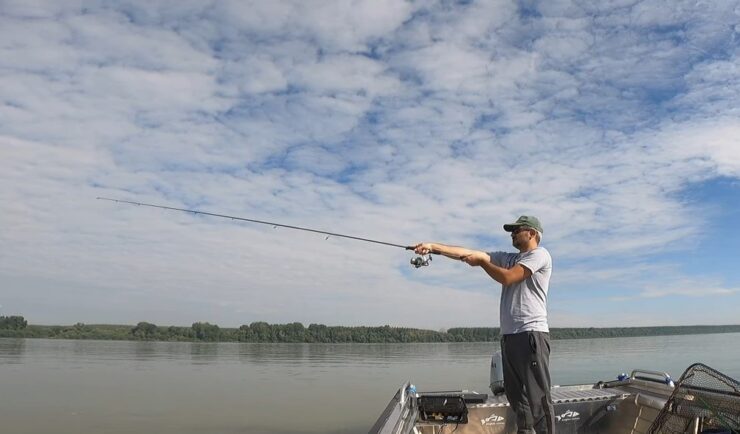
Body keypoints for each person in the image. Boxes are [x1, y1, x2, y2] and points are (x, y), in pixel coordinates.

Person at [414, 215, 554, 434]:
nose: (512, 234)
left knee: (539, 401)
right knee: (518, 400)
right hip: (509, 337)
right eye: (511, 231)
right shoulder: (507, 257)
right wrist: (432, 247)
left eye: (517, 230)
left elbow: (508, 278)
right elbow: (468, 253)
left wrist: (482, 264)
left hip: (531, 335)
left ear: (532, 233)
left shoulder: (540, 255)